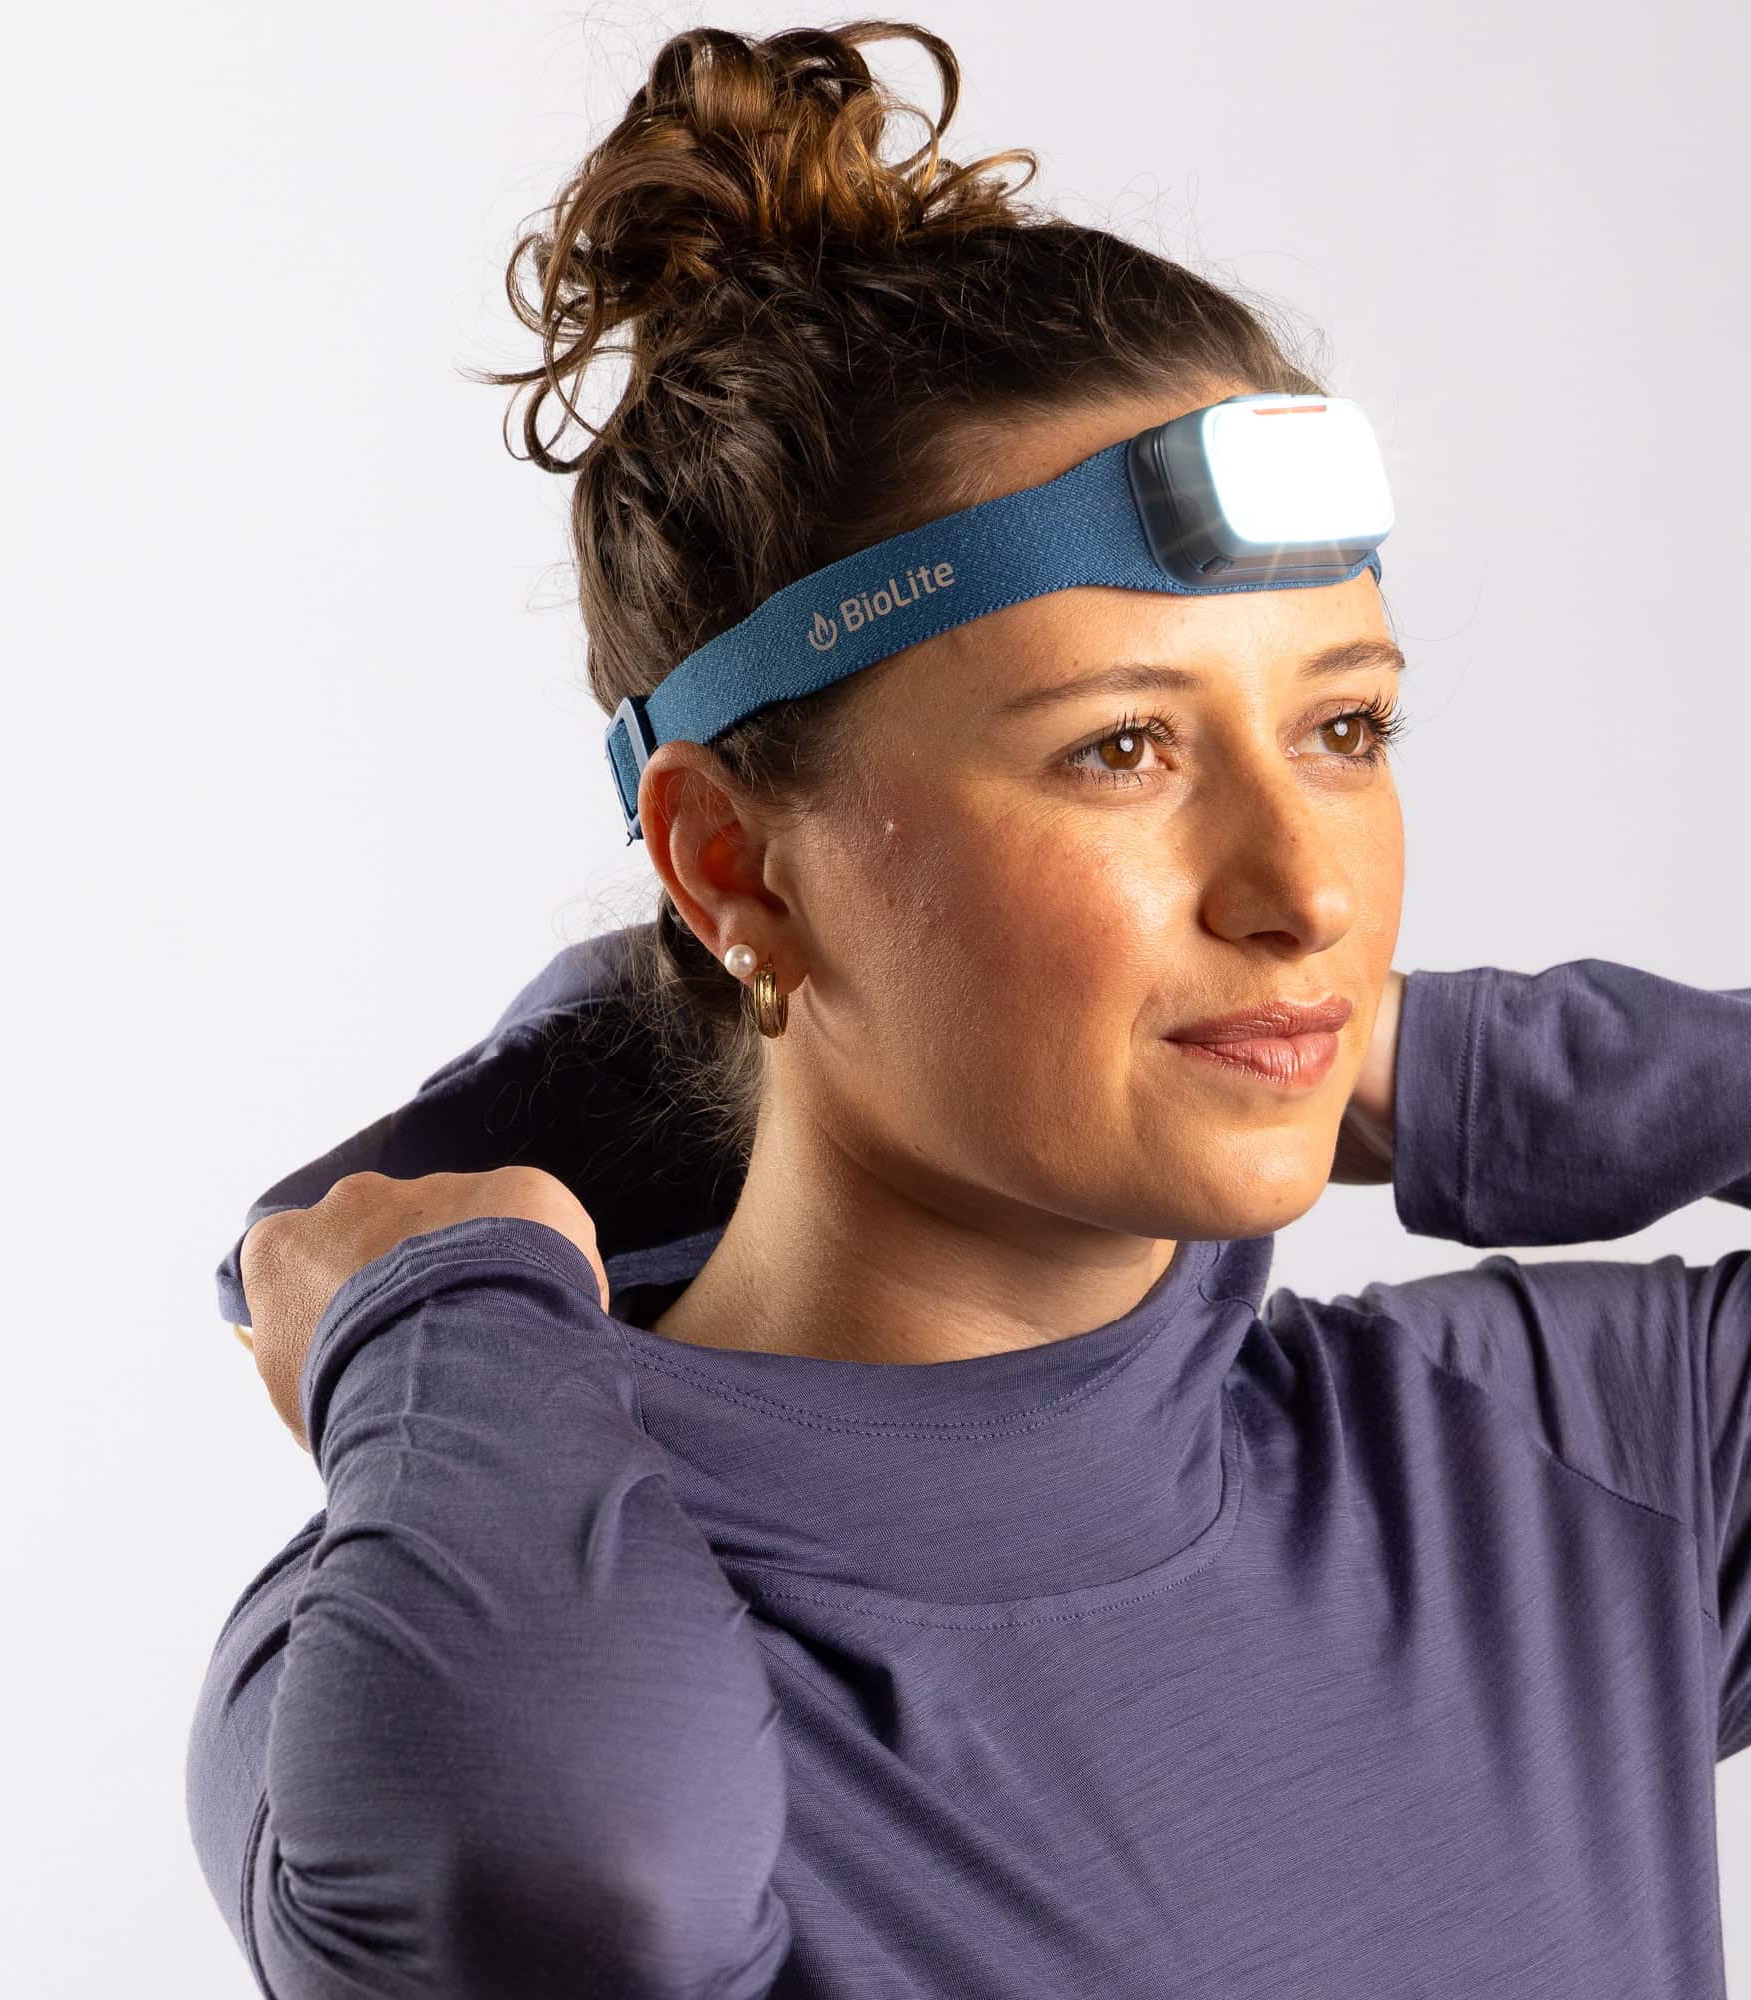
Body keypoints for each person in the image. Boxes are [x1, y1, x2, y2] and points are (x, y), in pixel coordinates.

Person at [184, 20, 1751, 1997]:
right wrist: (442, 1331)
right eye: (1119, 749)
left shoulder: (1560, 1464)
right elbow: (572, 1889)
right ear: (734, 865)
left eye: (1345, 728)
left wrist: (1466, 1071)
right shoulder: (450, 1610)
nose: (1309, 894)